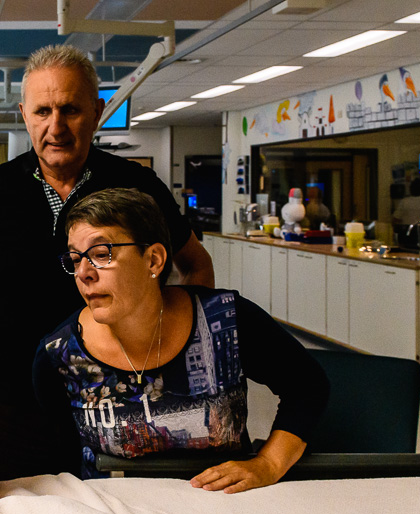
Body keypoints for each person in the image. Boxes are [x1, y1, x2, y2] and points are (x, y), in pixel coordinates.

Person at [0, 44, 214, 479]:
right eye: (42, 111)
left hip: (127, 399)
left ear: (97, 110)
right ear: (24, 114)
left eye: (70, 109)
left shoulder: (137, 186)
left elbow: (195, 265)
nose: (56, 127)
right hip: (18, 401)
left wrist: (176, 348)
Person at [33, 188, 329, 491]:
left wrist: (268, 463)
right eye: (75, 259)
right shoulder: (59, 357)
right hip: (117, 513)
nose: (83, 273)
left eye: (100, 255)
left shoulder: (224, 321)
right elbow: (59, 463)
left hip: (220, 505)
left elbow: (307, 386)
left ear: (154, 260)